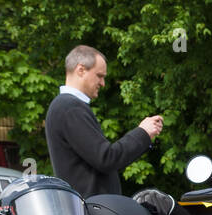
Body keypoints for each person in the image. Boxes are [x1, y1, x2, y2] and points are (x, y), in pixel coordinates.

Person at [44, 45, 162, 197]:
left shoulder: (68, 107)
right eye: (99, 76)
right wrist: (142, 133)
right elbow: (106, 159)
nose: (103, 83)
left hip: (90, 210)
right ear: (80, 70)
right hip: (93, 212)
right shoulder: (69, 108)